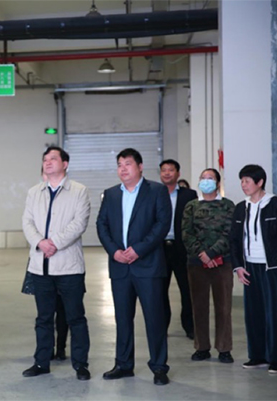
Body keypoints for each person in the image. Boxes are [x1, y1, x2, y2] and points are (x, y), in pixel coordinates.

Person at [96, 148, 172, 386]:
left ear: (140, 167)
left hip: (148, 266)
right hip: (120, 267)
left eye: (128, 164)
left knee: (154, 318)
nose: (123, 169)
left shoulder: (156, 191)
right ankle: (123, 364)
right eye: (119, 165)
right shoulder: (111, 194)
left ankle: (159, 367)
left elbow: (162, 224)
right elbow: (101, 225)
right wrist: (114, 251)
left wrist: (139, 249)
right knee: (122, 318)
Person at [21, 146, 91, 381]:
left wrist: (54, 243)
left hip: (69, 266)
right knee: (43, 318)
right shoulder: (34, 192)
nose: (48, 162)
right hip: (40, 266)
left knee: (75, 317)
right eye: (45, 159)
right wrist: (40, 242)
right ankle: (41, 362)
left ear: (65, 164)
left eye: (53, 158)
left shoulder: (79, 191)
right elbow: (27, 222)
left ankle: (80, 364)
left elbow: (79, 223)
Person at [230, 164, 277, 374]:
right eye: (241, 181)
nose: (243, 185)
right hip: (249, 267)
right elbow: (234, 240)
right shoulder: (241, 208)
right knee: (253, 313)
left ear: (260, 182)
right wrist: (238, 266)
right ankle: (258, 356)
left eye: (247, 181)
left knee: (276, 313)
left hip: (274, 267)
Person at [182, 168, 235, 364]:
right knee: (199, 306)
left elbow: (230, 233)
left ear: (218, 183)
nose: (206, 181)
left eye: (210, 178)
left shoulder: (228, 206)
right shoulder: (191, 206)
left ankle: (224, 348)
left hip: (222, 262)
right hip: (197, 264)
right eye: (203, 178)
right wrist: (202, 254)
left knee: (224, 307)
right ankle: (202, 347)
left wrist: (212, 253)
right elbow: (186, 233)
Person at [159, 159, 197, 340]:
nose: (167, 173)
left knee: (187, 290)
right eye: (164, 170)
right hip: (160, 249)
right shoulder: (153, 193)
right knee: (159, 291)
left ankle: (189, 326)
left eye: (171, 170)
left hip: (182, 249)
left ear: (178, 173)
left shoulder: (189, 195)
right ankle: (161, 326)